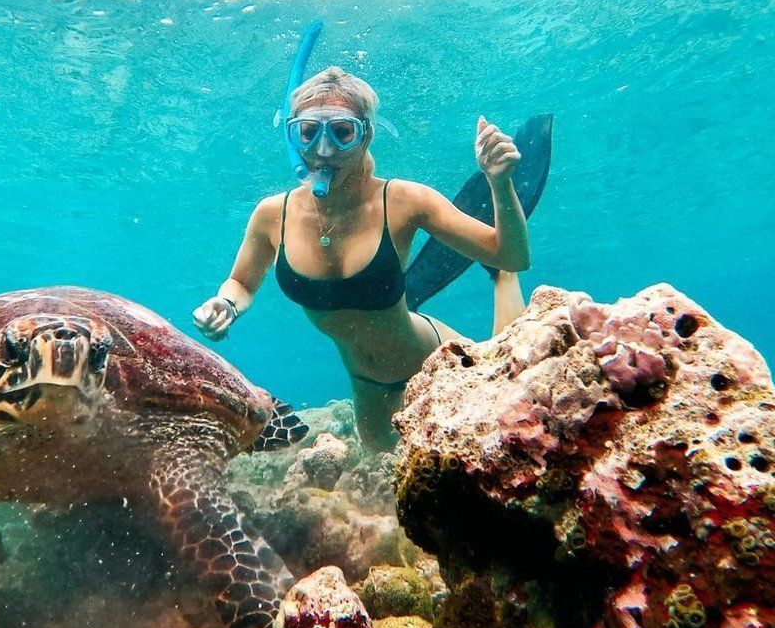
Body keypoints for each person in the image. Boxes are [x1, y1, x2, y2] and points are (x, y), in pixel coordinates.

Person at [193, 67, 543, 451]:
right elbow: (242, 283)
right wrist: (225, 303)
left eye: (342, 133)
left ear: (366, 135)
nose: (324, 151)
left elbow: (513, 253)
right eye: (309, 133)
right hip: (365, 381)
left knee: (509, 389)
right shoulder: (272, 214)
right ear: (293, 136)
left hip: (434, 356)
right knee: (383, 473)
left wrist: (499, 182)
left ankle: (502, 281)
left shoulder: (405, 200)